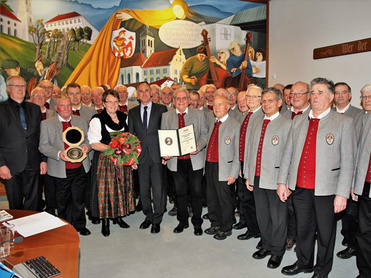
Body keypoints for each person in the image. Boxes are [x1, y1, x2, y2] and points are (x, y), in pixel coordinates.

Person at [278, 77, 356, 278]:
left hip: (327, 189)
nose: (315, 96)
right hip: (301, 187)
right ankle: (304, 263)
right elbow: (288, 153)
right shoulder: (299, 121)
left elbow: (349, 162)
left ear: (330, 97)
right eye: (313, 92)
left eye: (320, 92)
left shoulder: (344, 123)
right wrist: (283, 181)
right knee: (303, 229)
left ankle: (322, 270)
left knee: (325, 233)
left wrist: (342, 194)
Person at [244, 87, 291, 269]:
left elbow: (289, 155)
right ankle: (266, 244)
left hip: (276, 179)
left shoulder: (287, 124)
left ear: (279, 102)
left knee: (278, 217)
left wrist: (284, 182)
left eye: (270, 100)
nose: (266, 104)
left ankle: (277, 251)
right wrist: (248, 174)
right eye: (263, 101)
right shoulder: (256, 122)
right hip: (256, 176)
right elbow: (250, 150)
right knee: (262, 215)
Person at [39, 97, 91, 236]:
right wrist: (58, 153)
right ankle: (67, 227)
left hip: (80, 167)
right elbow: (43, 146)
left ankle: (80, 225)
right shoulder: (47, 124)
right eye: (63, 106)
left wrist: (87, 146)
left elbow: (88, 138)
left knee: (79, 198)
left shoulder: (79, 120)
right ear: (57, 108)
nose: (67, 108)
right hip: (61, 169)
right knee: (63, 200)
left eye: (69, 105)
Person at [88, 89, 136, 237]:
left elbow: (131, 140)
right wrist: (114, 149)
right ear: (104, 103)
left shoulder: (124, 117)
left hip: (122, 160)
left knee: (121, 187)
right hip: (105, 161)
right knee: (107, 190)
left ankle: (119, 216)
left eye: (115, 101)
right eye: (110, 102)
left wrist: (132, 158)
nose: (113, 105)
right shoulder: (97, 119)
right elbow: (94, 143)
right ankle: (106, 221)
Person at [161, 88, 208, 236]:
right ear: (173, 101)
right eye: (178, 98)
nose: (181, 101)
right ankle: (182, 221)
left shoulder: (199, 114)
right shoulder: (166, 116)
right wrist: (165, 153)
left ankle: (197, 223)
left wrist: (198, 146)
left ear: (188, 100)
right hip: (175, 162)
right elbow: (164, 138)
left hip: (194, 160)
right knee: (179, 193)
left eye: (184, 98)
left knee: (196, 192)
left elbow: (205, 134)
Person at [0, 76, 46, 210]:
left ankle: (32, 228)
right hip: (10, 164)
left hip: (33, 162)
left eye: (23, 86)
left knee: (34, 200)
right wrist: (1, 164)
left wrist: (43, 160)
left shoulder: (35, 109)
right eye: (16, 86)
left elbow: (40, 136)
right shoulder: (1, 109)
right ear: (8, 89)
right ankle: (18, 229)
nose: (20, 89)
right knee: (15, 201)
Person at [128, 83, 168, 234]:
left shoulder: (161, 109)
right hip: (140, 157)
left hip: (157, 155)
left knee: (158, 189)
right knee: (144, 190)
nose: (144, 93)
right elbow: (131, 137)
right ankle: (148, 216)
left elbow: (166, 133)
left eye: (146, 91)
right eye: (141, 91)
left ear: (151, 93)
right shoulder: (132, 112)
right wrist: (132, 158)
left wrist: (166, 153)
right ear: (137, 94)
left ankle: (157, 219)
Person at [333, 81, 363, 259]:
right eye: (337, 93)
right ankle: (344, 236)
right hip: (330, 172)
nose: (340, 96)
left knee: (350, 212)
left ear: (350, 95)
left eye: (344, 93)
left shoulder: (358, 115)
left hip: (349, 170)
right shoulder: (329, 114)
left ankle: (352, 244)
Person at [204, 95, 240, 240]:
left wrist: (234, 173)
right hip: (210, 165)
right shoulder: (213, 122)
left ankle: (226, 227)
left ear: (228, 107)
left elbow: (238, 152)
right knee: (212, 197)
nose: (217, 108)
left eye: (220, 105)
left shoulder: (235, 125)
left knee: (225, 199)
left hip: (225, 167)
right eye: (214, 105)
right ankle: (215, 222)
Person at [236, 86, 263, 241]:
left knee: (255, 201)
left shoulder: (261, 117)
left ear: (261, 98)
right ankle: (251, 228)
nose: (250, 99)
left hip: (254, 166)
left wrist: (247, 166)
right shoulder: (247, 115)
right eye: (248, 96)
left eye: (254, 96)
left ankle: (258, 231)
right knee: (245, 198)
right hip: (243, 163)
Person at [353, 84, 371, 278]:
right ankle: (365, 272)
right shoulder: (360, 119)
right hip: (365, 184)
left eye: (370, 96)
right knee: (365, 231)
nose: (366, 100)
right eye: (364, 96)